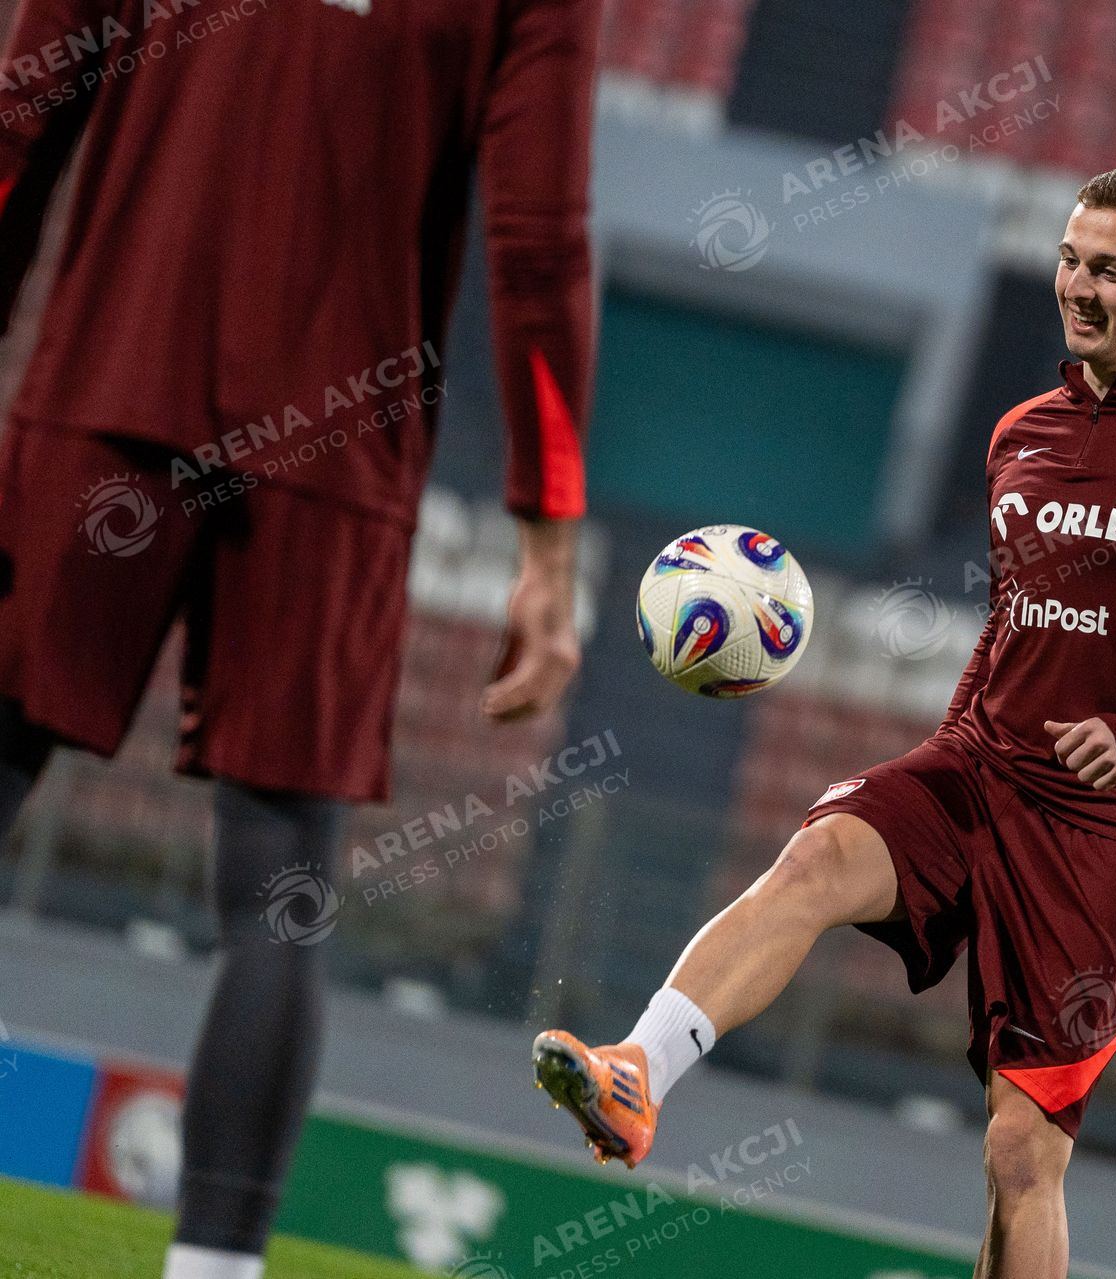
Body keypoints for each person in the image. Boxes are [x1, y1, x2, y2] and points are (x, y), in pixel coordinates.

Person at [532, 165, 1116, 1278]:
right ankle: (639, 1070)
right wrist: (949, 741)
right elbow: (1016, 613)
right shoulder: (1021, 431)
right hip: (979, 764)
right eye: (1070, 260)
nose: (1078, 286)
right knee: (817, 857)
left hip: (1110, 825)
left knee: (1022, 1153)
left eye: (1111, 270)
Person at [0, 1, 603, 1276]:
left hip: (111, 380)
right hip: (337, 456)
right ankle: (214, 1268)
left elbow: (25, 109)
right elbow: (541, 242)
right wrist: (548, 541)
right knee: (279, 896)